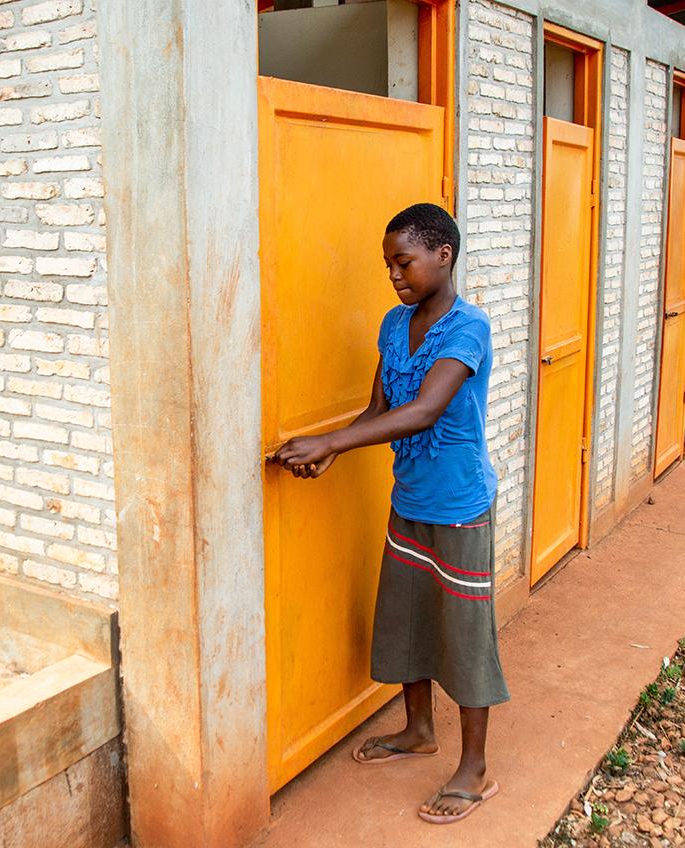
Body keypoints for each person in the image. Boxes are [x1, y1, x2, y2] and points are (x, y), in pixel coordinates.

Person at [273, 202, 508, 825]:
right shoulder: (391, 323)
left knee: (464, 635)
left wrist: (331, 442)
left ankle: (475, 768)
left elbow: (427, 408)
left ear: (442, 255)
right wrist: (332, 452)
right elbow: (381, 408)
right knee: (406, 617)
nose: (395, 275)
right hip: (409, 501)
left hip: (460, 506)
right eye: (388, 265)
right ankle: (418, 731)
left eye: (404, 261)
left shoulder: (468, 327)